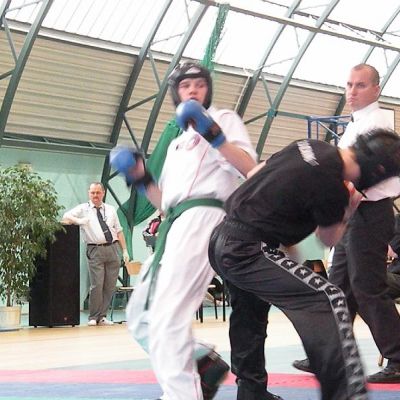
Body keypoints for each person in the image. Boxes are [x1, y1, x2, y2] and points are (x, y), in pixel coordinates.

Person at [208, 128, 400, 400]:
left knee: (250, 314)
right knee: (330, 296)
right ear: (377, 171)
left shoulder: (309, 145)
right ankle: (345, 395)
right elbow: (327, 238)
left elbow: (257, 172)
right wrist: (348, 210)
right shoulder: (333, 186)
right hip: (248, 250)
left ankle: (251, 393)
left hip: (222, 239)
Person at [110, 61, 259, 400]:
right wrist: (140, 177)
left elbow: (250, 169)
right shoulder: (178, 143)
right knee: (140, 317)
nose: (192, 90)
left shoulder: (224, 118)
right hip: (173, 225)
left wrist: (214, 134)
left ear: (208, 89)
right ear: (175, 93)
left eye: (199, 84)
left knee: (168, 316)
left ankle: (181, 395)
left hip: (204, 218)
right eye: (185, 85)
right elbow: (165, 203)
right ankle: (203, 361)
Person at [293, 64, 400, 384]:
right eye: (349, 85)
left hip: (370, 211)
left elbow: (366, 174)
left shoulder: (378, 124)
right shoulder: (356, 125)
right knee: (338, 289)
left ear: (376, 89)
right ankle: (329, 352)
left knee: (367, 287)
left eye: (360, 85)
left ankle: (398, 357)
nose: (352, 91)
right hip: (353, 214)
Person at [62, 182, 129, 326]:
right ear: (89, 193)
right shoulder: (83, 208)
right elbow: (66, 217)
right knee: (97, 284)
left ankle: (102, 316)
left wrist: (124, 250)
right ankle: (93, 316)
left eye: (98, 193)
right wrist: (79, 221)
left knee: (110, 285)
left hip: (112, 248)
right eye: (92, 193)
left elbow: (119, 230)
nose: (95, 195)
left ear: (103, 193)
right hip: (95, 249)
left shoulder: (110, 209)